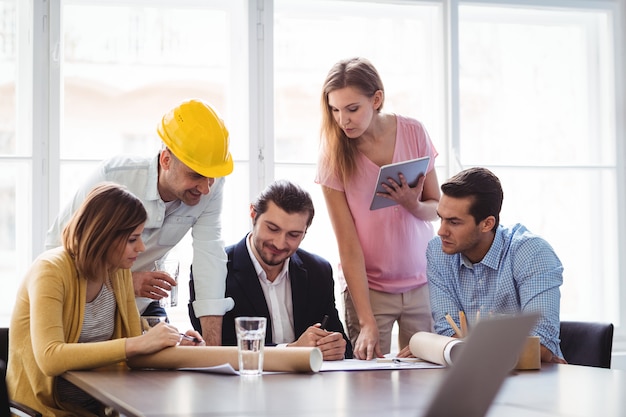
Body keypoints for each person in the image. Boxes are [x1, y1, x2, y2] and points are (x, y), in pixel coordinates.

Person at [45, 99, 234, 345]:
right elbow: (59, 252)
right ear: (166, 160)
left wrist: (212, 351)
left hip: (142, 308)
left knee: (174, 358)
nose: (206, 189)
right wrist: (126, 282)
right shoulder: (114, 178)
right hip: (86, 305)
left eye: (212, 178)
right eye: (196, 175)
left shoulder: (210, 188)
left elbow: (209, 260)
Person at [8, 183, 204, 417]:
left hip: (100, 403)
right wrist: (137, 344)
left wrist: (172, 339)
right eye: (133, 239)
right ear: (104, 236)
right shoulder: (50, 270)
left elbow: (130, 333)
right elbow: (50, 357)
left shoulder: (116, 270)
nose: (141, 248)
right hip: (44, 409)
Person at [316, 57, 440, 360]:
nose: (343, 120)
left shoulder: (414, 132)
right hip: (369, 291)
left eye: (352, 109)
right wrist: (366, 321)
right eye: (335, 110)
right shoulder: (333, 156)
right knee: (370, 387)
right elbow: (347, 243)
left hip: (423, 283)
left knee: (426, 382)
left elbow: (438, 207)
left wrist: (412, 203)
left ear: (377, 99)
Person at [424, 167, 566, 363]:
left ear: (487, 224)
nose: (441, 231)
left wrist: (467, 346)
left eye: (454, 222)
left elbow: (538, 344)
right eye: (441, 218)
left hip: (534, 380)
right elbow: (449, 333)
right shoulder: (438, 251)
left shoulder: (532, 252)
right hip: (473, 380)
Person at [216, 180, 352, 360]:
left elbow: (339, 341)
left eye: (293, 235)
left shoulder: (318, 271)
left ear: (305, 232)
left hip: (309, 385)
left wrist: (336, 347)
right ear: (253, 214)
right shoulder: (216, 269)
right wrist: (290, 350)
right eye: (272, 229)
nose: (280, 243)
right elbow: (217, 348)